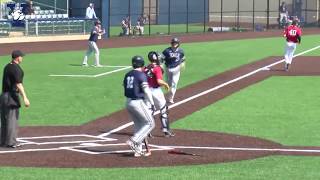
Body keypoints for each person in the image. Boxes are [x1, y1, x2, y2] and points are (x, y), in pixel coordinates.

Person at [124, 55, 155, 157]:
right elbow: (146, 91)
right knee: (150, 123)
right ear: (142, 64)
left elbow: (125, 86)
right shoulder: (141, 75)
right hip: (137, 102)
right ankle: (134, 140)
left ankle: (137, 150)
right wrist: (152, 102)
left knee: (138, 124)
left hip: (128, 102)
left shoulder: (127, 74)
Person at [0, 50, 30, 148]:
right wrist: (25, 97)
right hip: (11, 97)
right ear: (17, 57)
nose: (22, 58)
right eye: (21, 56)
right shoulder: (15, 69)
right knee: (12, 120)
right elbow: (19, 84)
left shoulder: (7, 66)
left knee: (5, 120)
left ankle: (3, 141)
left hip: (4, 96)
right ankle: (11, 142)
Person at [144, 51, 175, 137]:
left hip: (146, 91)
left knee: (149, 110)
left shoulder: (146, 68)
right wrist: (165, 84)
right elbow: (159, 81)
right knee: (163, 109)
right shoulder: (157, 68)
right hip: (155, 91)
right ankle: (166, 130)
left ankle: (146, 131)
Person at [162, 37, 186, 104]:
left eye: (176, 43)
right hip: (168, 68)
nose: (174, 44)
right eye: (173, 43)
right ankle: (169, 95)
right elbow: (161, 58)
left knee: (174, 83)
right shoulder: (167, 51)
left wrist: (183, 63)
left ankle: (171, 98)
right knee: (168, 84)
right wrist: (161, 64)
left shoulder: (181, 51)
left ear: (178, 44)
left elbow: (183, 58)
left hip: (176, 69)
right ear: (171, 43)